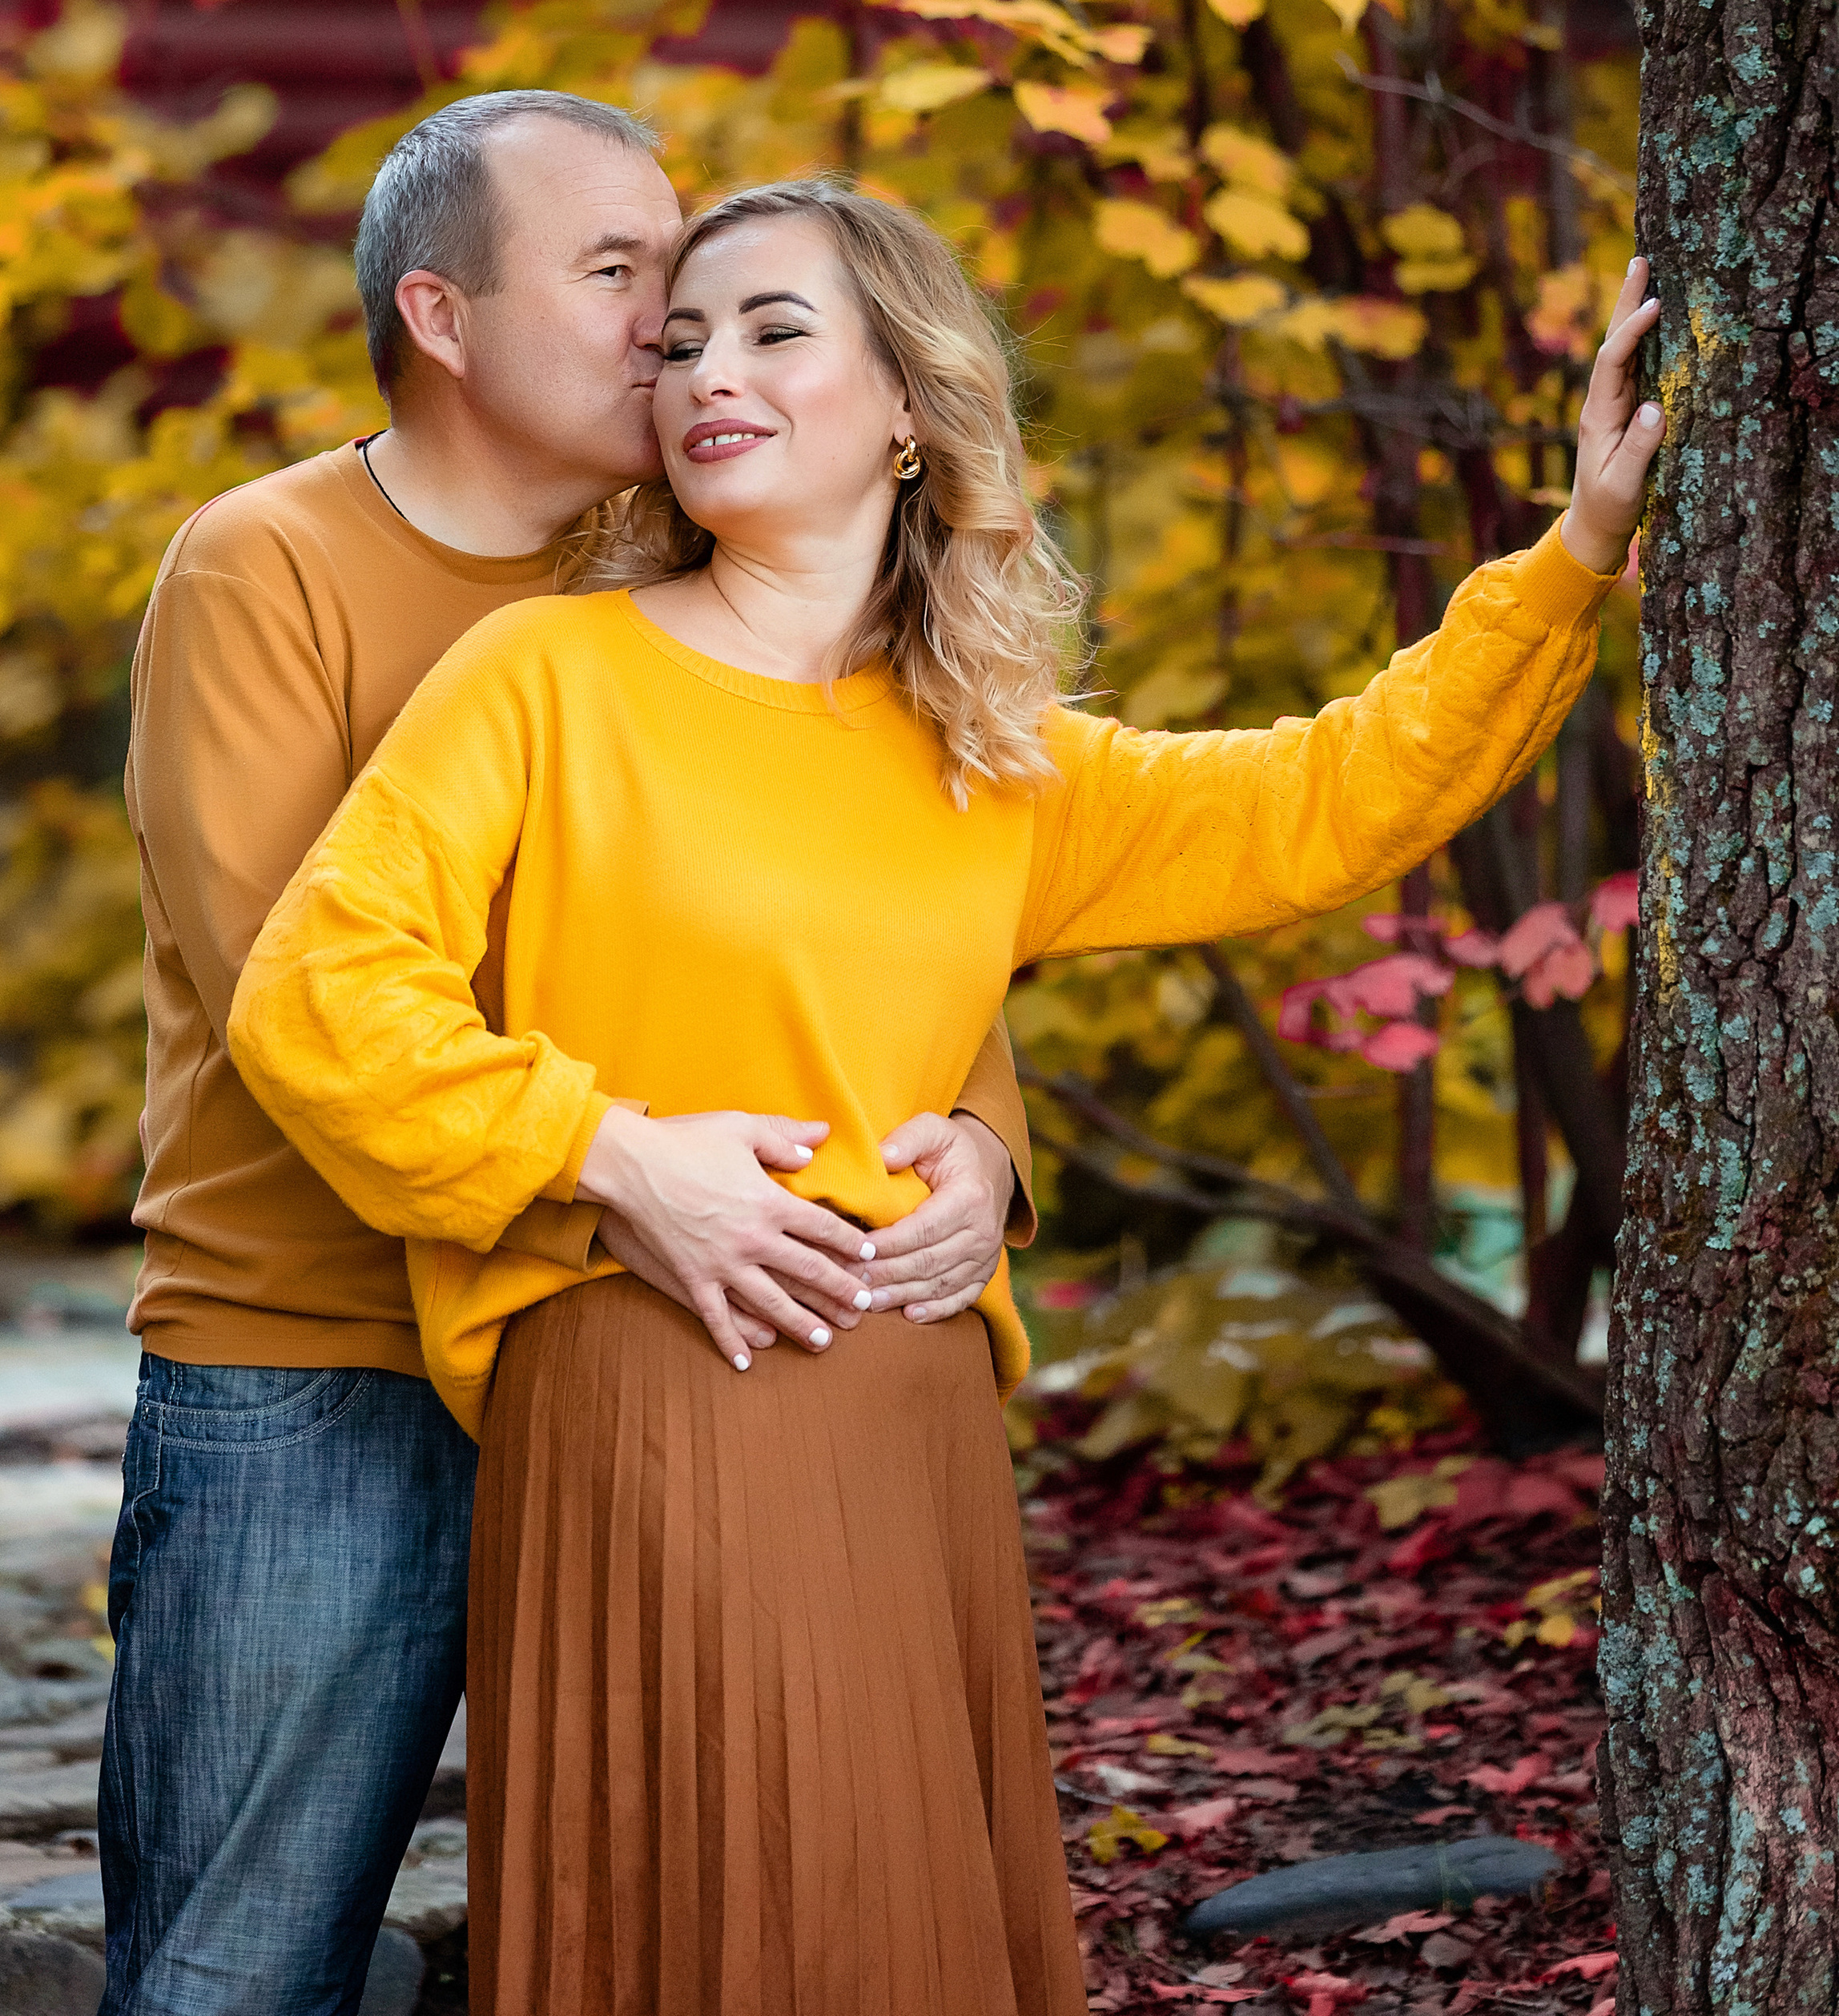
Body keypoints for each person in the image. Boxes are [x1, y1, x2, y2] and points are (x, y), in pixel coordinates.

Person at [230, 178, 1664, 2016]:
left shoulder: (989, 755)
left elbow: (1335, 798)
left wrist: (1573, 552)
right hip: (658, 1383)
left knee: (892, 1918)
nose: (704, 373)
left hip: (908, 1416)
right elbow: (321, 989)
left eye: (771, 328)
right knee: (711, 1912)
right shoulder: (543, 677)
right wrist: (608, 1159)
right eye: (677, 341)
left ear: (908, 404)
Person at [100, 99, 1032, 2016]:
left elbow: (886, 892)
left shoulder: (705, 560)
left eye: (680, 280)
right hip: (322, 1365)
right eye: (619, 278)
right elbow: (307, 986)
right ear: (440, 316)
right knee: (232, 1972)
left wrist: (978, 1139)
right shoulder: (263, 565)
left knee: (664, 1924)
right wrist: (616, 1155)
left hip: (650, 1354)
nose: (668, 325)